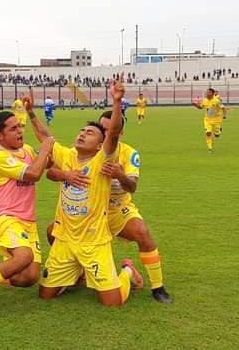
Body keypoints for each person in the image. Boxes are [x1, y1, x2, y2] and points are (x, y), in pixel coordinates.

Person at [33, 76, 141, 307]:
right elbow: (46, 138)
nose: (82, 134)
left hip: (94, 242)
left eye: (90, 133)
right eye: (81, 130)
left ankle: (128, 271)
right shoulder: (68, 155)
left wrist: (117, 101)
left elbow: (112, 134)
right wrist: (31, 113)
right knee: (45, 296)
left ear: (100, 145)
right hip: (64, 240)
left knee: (112, 302)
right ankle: (75, 273)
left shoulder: (102, 161)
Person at [46, 109, 173, 304]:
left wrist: (120, 175)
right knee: (52, 231)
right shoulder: (80, 151)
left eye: (109, 130)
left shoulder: (129, 153)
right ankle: (77, 271)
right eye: (101, 129)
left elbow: (132, 187)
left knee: (142, 232)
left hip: (115, 209)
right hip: (89, 211)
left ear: (118, 132)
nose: (105, 133)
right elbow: (52, 171)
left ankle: (157, 287)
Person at [0, 109, 55, 316]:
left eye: (20, 127)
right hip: (6, 216)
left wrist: (46, 144)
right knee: (24, 255)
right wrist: (45, 150)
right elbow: (33, 174)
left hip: (27, 220)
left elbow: (49, 163)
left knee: (29, 277)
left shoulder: (28, 150)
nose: (19, 131)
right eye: (13, 129)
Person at [192, 88, 223, 153]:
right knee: (208, 133)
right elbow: (201, 107)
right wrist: (195, 105)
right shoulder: (204, 100)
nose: (206, 93)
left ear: (212, 93)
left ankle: (219, 130)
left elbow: (223, 108)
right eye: (206, 92)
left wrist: (225, 115)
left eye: (208, 92)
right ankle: (210, 148)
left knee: (217, 135)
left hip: (216, 120)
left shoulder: (217, 101)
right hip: (207, 120)